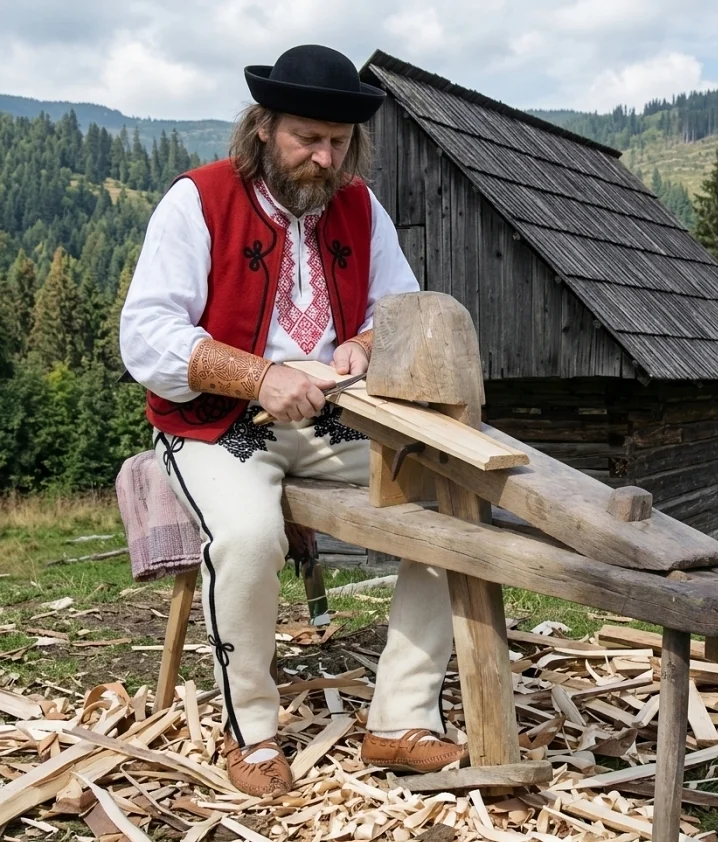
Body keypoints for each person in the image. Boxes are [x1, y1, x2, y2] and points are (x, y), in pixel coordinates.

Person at [119, 44, 467, 797]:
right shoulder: (198, 200)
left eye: (337, 143)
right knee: (248, 536)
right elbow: (145, 336)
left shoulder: (358, 206)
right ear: (264, 128)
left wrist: (363, 344)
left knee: (448, 509)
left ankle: (400, 720)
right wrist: (260, 375)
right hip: (214, 418)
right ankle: (251, 730)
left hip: (332, 416)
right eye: (306, 138)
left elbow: (396, 311)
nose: (322, 157)